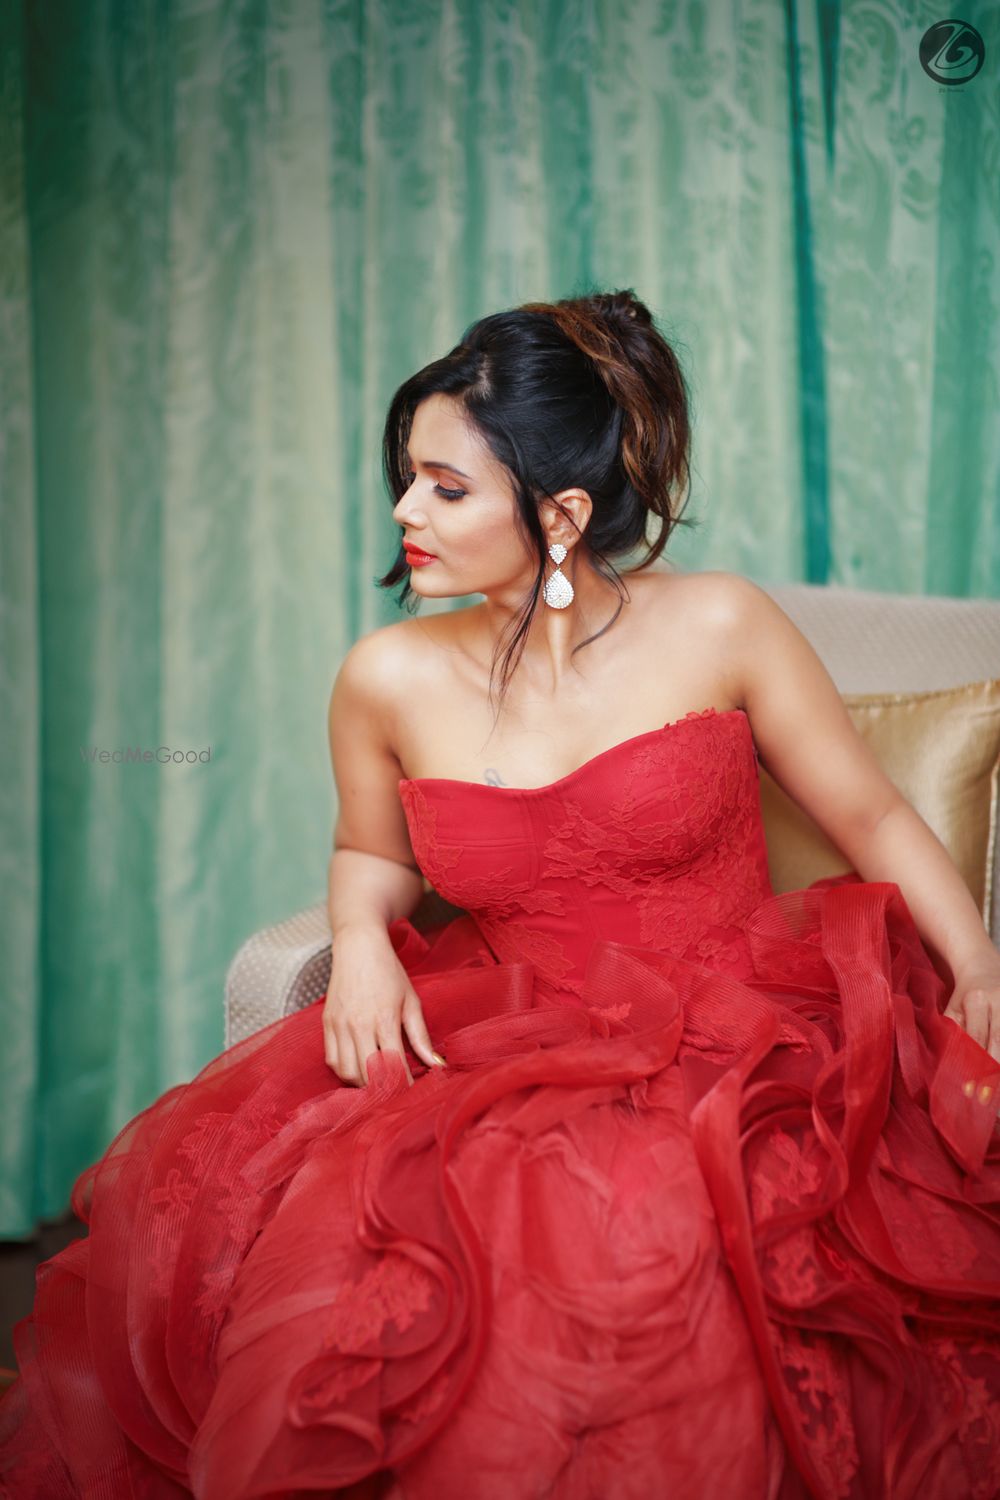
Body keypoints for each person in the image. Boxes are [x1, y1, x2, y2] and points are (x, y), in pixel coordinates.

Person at [2, 289, 1000, 1500]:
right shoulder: (385, 675)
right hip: (509, 1032)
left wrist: (980, 961)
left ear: (563, 513)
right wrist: (363, 935)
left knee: (649, 1231)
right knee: (383, 1248)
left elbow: (875, 817)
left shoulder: (724, 623)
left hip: (745, 1031)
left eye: (443, 486)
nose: (403, 511)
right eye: (407, 479)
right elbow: (373, 853)